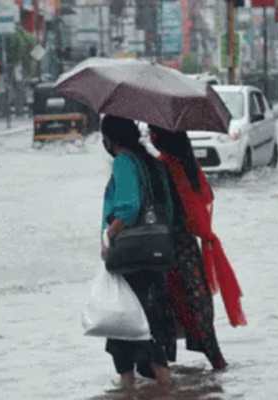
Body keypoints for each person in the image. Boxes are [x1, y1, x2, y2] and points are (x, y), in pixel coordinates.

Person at [150, 126, 247, 369]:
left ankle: (163, 376)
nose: (150, 136)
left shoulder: (165, 167)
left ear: (162, 138)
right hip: (189, 246)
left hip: (169, 248)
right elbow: (203, 201)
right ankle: (216, 362)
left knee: (170, 305)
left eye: (153, 132)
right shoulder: (190, 166)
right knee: (197, 302)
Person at [100, 115, 175, 389]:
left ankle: (128, 388)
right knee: (147, 323)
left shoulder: (123, 162)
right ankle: (167, 389)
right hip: (154, 254)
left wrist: (110, 233)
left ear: (109, 138)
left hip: (131, 256)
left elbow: (129, 208)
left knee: (126, 325)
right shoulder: (149, 161)